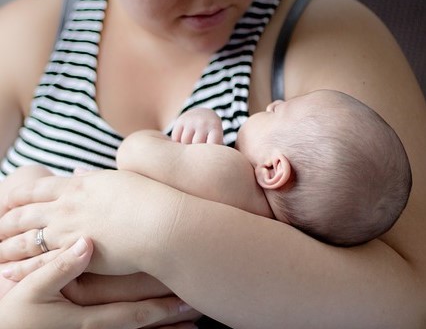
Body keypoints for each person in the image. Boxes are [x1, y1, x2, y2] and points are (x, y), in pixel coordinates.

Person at [0, 0, 424, 329]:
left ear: (274, 170)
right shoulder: (24, 36)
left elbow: (414, 316)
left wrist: (152, 224)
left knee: (27, 186)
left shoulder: (327, 37)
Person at [117, 89, 412, 247]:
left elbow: (133, 152)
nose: (273, 103)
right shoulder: (281, 244)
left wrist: (195, 123)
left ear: (272, 169)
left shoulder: (228, 173)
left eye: (278, 111)